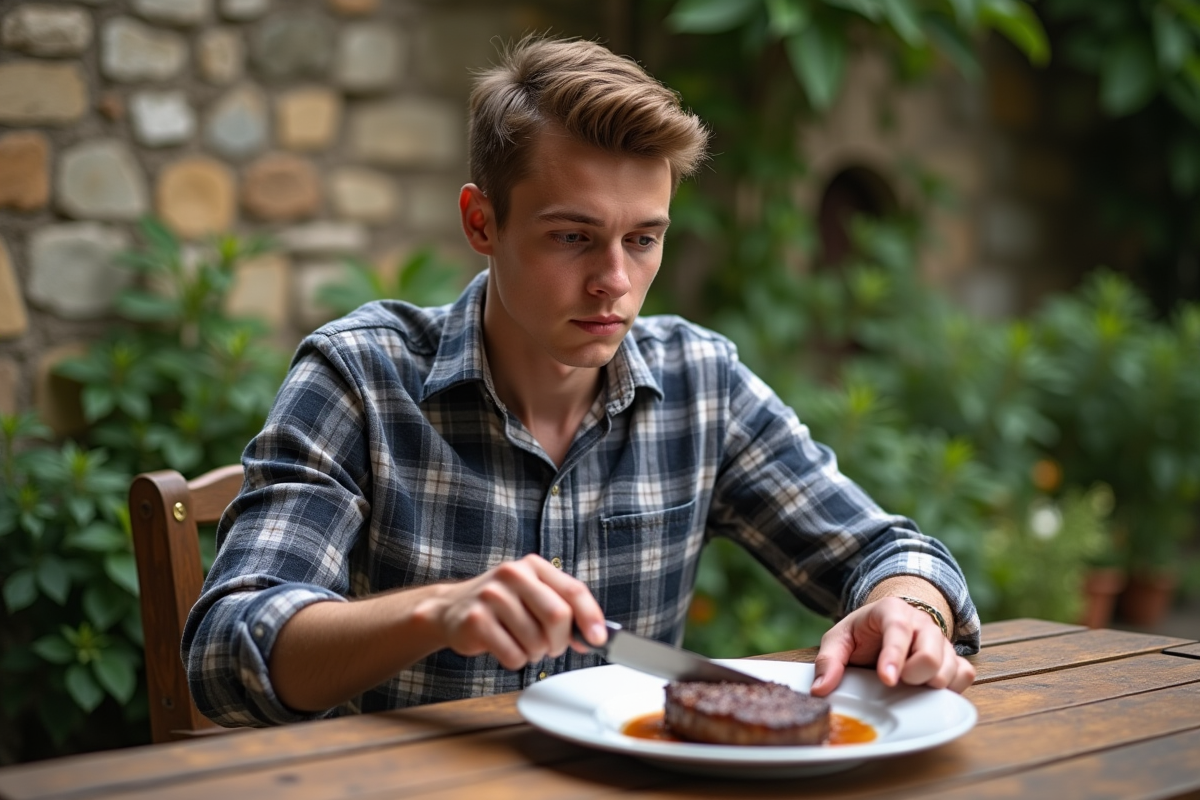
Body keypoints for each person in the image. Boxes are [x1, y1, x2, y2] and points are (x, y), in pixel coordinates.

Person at [183, 35, 979, 727]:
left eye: (643, 239)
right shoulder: (361, 376)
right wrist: (438, 612)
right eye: (573, 236)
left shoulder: (702, 385)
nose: (615, 282)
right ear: (480, 223)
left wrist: (904, 608)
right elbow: (227, 651)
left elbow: (891, 550)